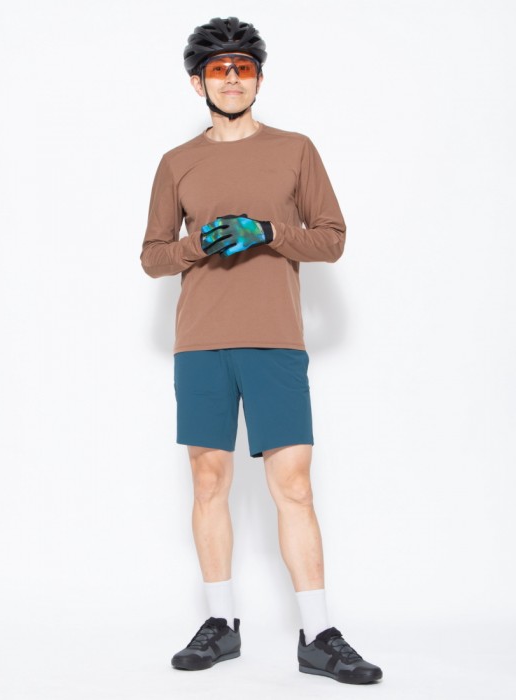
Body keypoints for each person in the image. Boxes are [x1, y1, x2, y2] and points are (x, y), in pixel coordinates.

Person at [140, 16, 383, 685]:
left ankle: (318, 634)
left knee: (294, 486)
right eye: (218, 70)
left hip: (275, 339)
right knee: (208, 481)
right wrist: (200, 243)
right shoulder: (177, 162)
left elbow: (332, 237)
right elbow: (153, 256)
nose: (231, 79)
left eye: (242, 68)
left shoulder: (295, 150)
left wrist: (271, 231)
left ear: (258, 78)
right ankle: (220, 624)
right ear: (198, 84)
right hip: (200, 342)